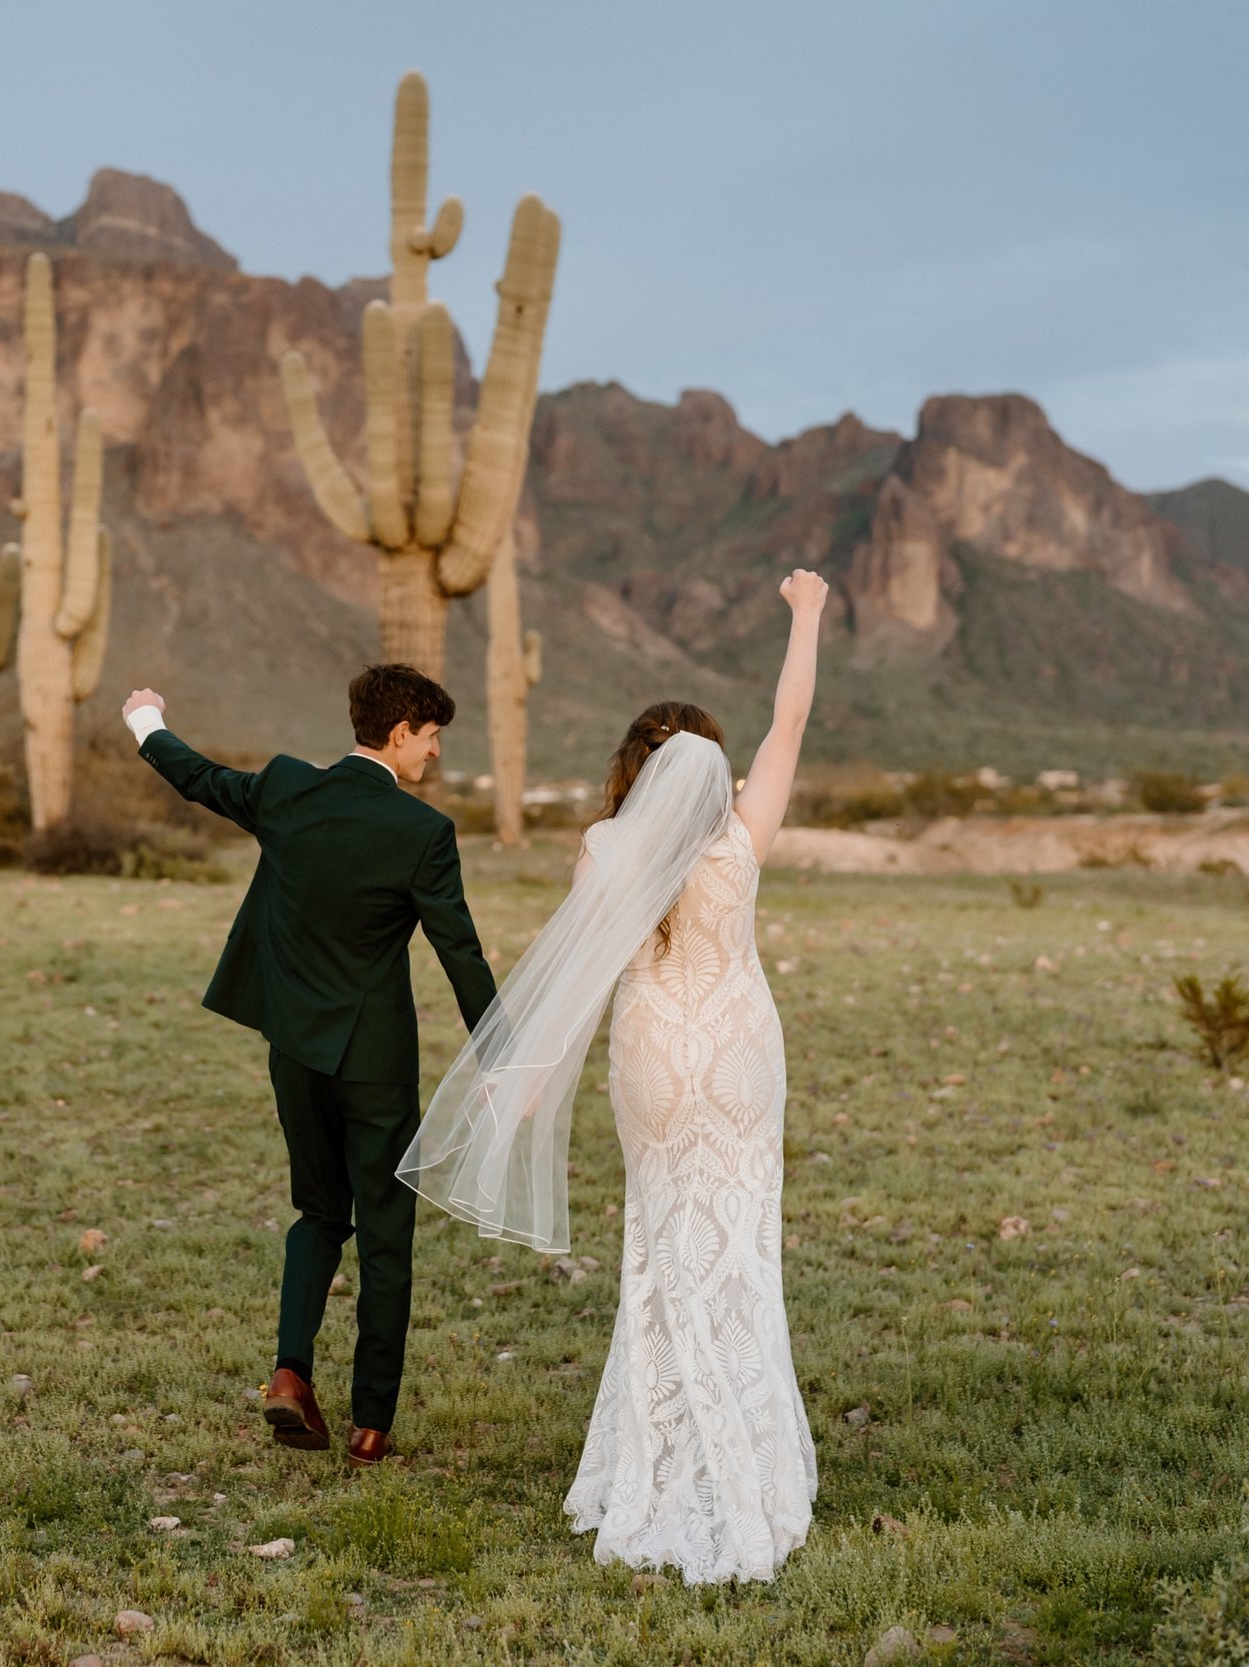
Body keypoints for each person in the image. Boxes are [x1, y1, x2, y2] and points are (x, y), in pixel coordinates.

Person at [401, 569, 828, 1582]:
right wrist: (805, 614)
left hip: (650, 1060)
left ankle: (664, 1456)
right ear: (707, 764)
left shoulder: (605, 846)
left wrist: (528, 1083)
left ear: (633, 767)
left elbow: (576, 984)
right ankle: (750, 1466)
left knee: (661, 1246)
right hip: (737, 1052)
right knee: (738, 1246)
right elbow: (792, 715)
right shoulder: (743, 833)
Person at [122, 664, 497, 1466]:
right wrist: (502, 1055)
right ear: (400, 733)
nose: (434, 755)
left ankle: (291, 1373)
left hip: (293, 1052)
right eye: (431, 738)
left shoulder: (288, 789)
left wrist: (147, 720)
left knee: (320, 1213)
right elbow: (458, 949)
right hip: (375, 1063)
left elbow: (199, 778)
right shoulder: (421, 833)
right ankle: (370, 1427)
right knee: (386, 1232)